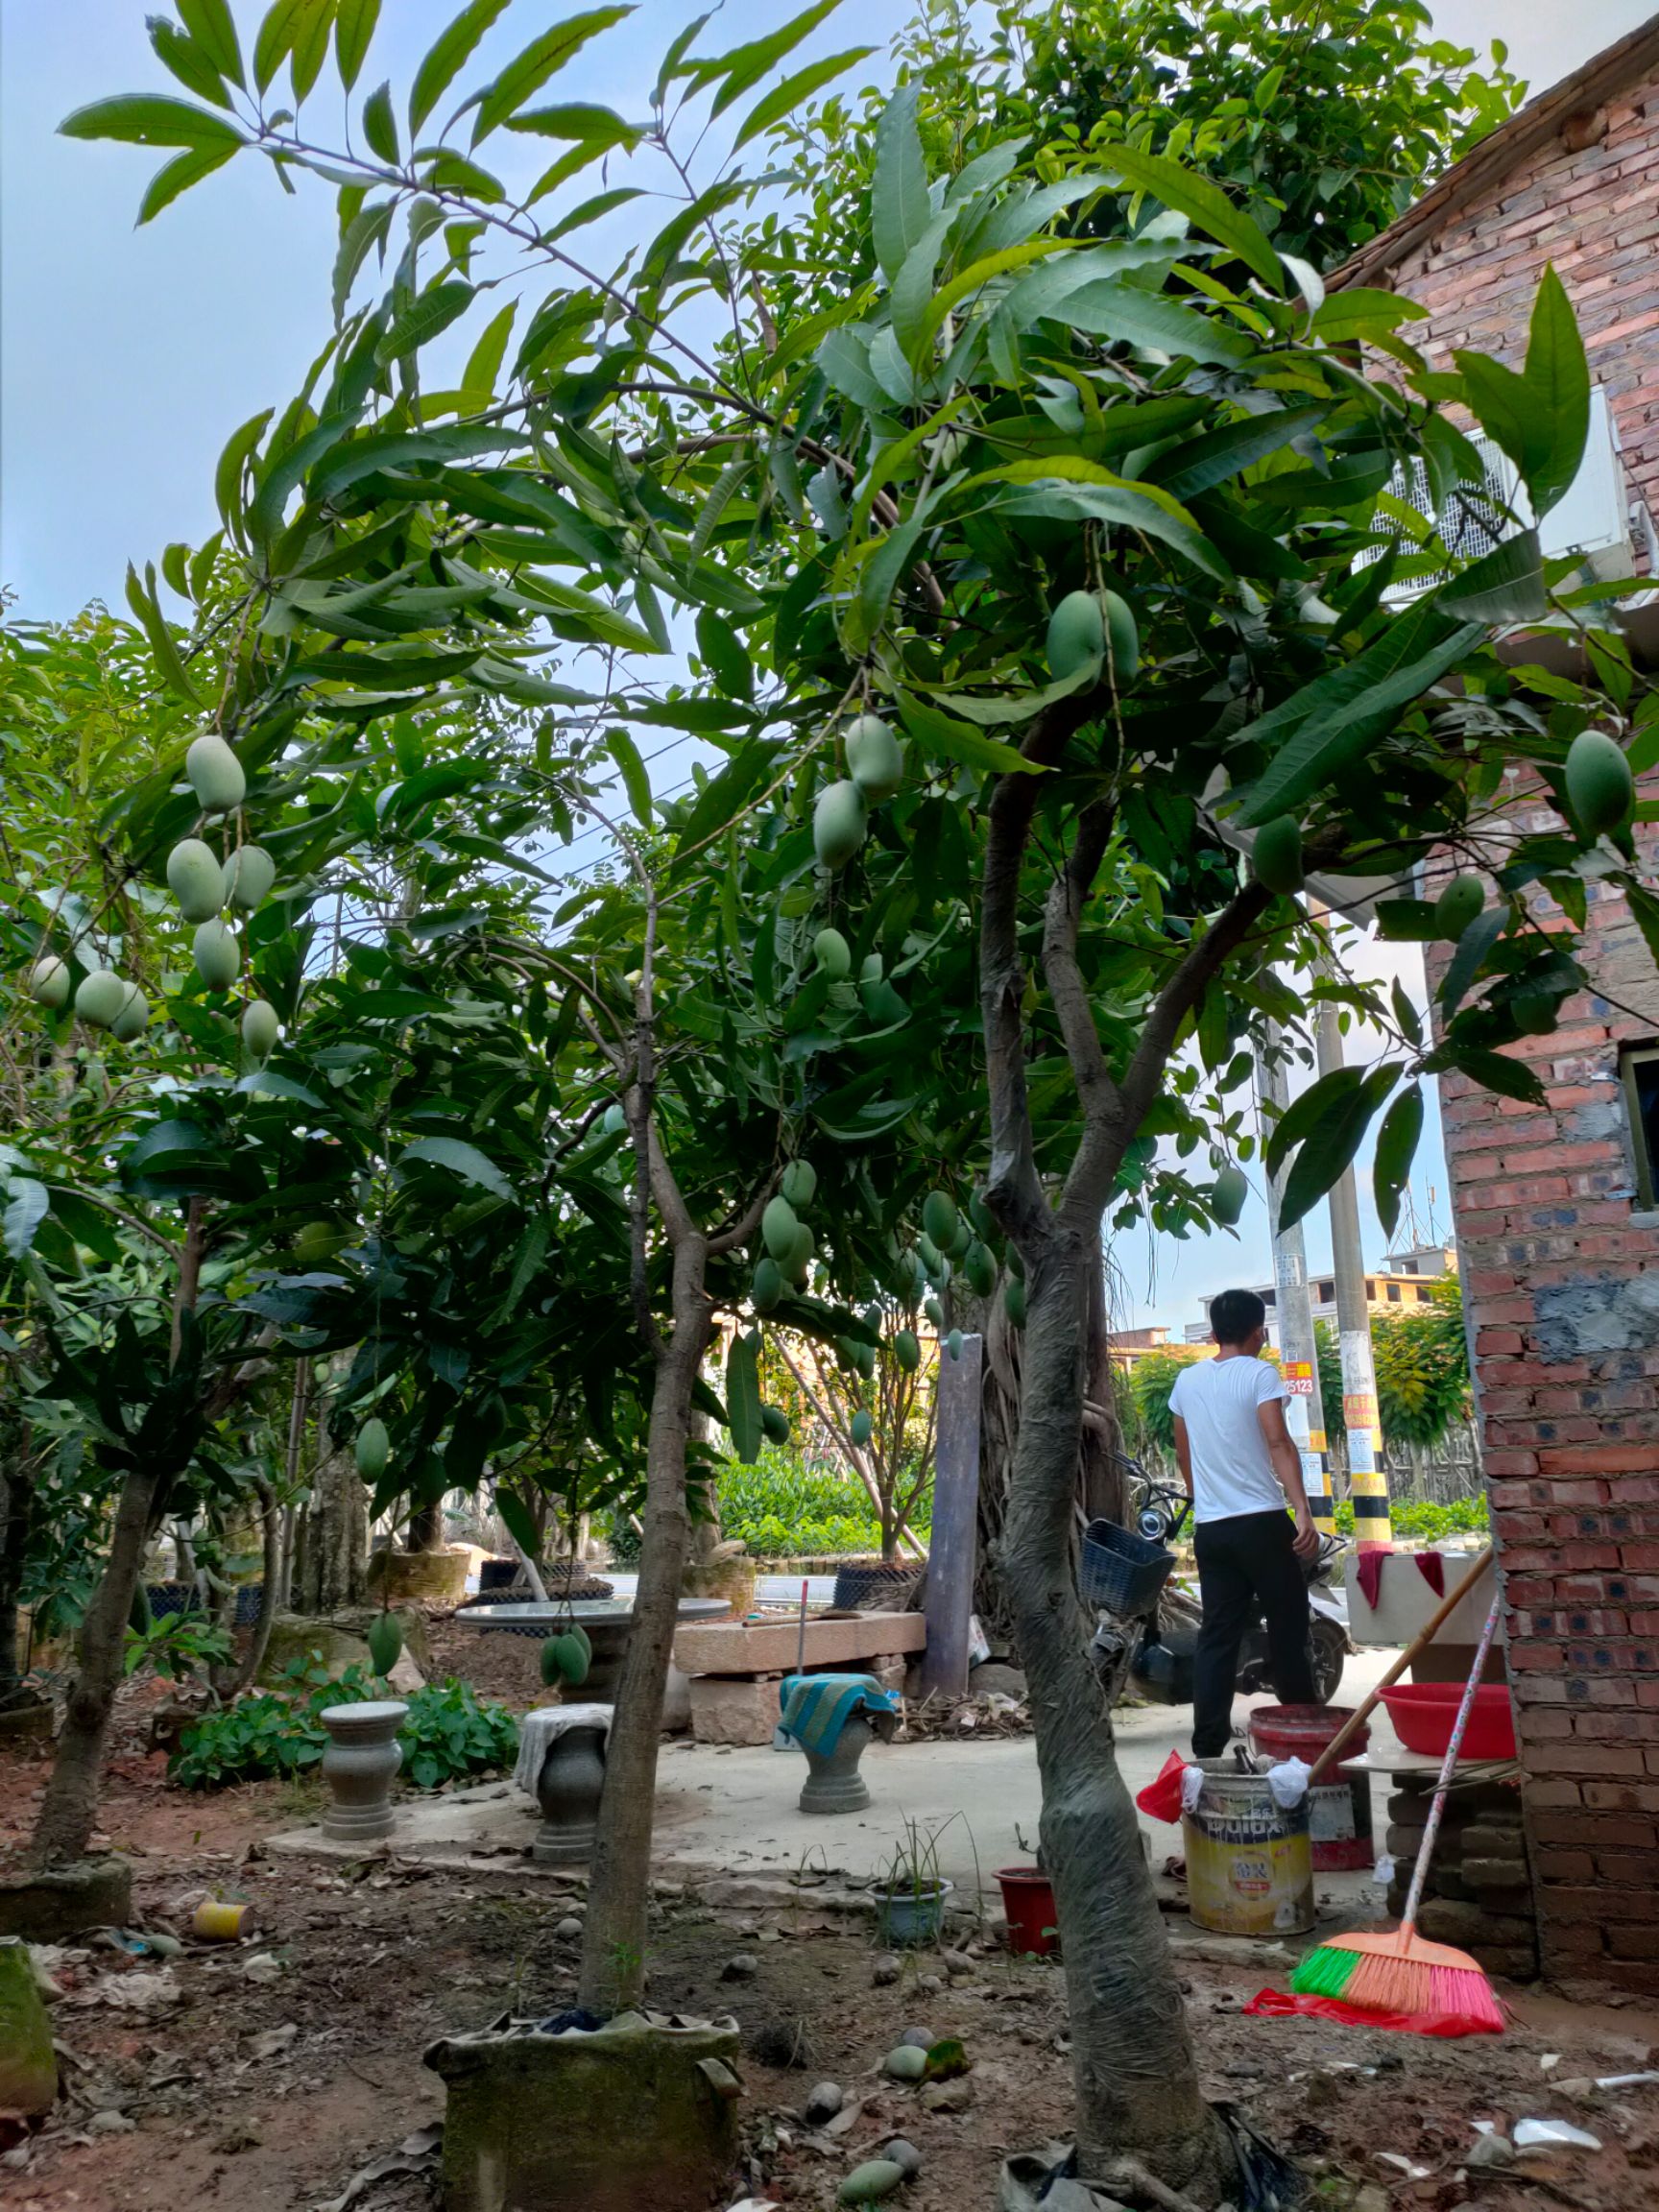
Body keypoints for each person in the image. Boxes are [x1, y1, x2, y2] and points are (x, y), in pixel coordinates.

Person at [1168, 1287, 1320, 1759]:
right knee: (1289, 1627)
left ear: (1213, 1332)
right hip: (1260, 1522)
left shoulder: (1186, 1381)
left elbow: (1182, 1450)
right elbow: (1278, 1443)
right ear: (1259, 1332)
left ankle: (1207, 1746)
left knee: (1217, 1636)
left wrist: (1199, 1495)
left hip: (1213, 1530)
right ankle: (1302, 1733)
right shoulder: (1260, 1374)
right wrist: (1302, 1507)